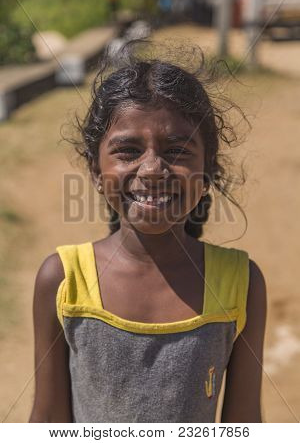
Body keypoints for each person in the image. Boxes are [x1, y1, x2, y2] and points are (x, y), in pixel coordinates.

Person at [29, 40, 267, 423]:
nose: (153, 169)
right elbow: (47, 422)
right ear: (94, 169)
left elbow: (244, 424)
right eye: (128, 151)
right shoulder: (62, 279)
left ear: (208, 170)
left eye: (177, 150)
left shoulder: (240, 282)